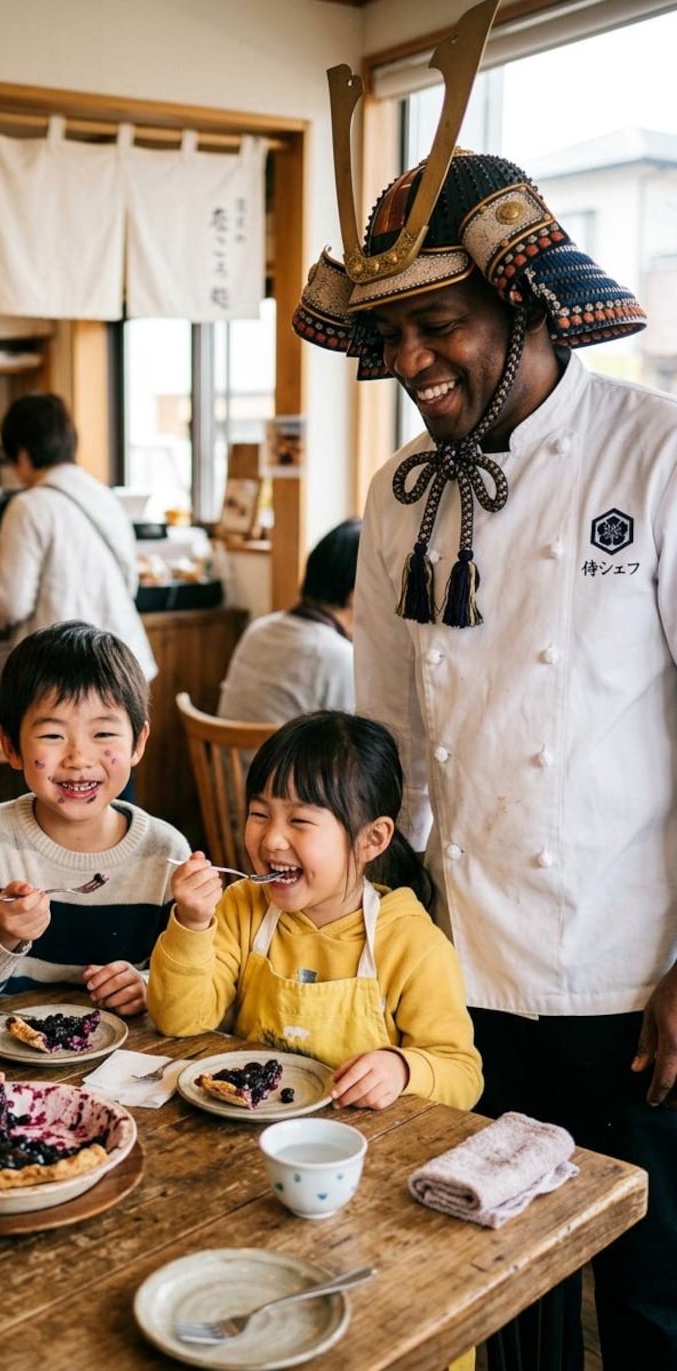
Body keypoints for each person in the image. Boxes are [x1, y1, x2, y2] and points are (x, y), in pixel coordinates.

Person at [294, 142, 677, 1369]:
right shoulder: (398, 491)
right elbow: (387, 734)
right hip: (457, 975)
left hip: (631, 976)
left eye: (439, 325)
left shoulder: (654, 452)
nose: (408, 362)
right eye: (390, 334)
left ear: (527, 304)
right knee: (486, 1286)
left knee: (652, 1300)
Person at [148, 711, 482, 1112]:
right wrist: (192, 922)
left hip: (357, 1139)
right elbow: (178, 1020)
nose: (271, 840)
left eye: (300, 820)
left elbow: (463, 1076)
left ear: (371, 839)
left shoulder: (412, 945)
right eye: (259, 814)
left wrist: (404, 1069)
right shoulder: (241, 907)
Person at [0, 620, 189, 1016]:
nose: (78, 758)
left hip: (128, 1053)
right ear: (11, 747)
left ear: (138, 743)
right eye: (52, 735)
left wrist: (149, 986)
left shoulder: (165, 852)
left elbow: (192, 982)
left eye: (103, 735)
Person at [0, 393, 157, 684]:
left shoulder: (28, 505)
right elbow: (130, 580)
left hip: (65, 671)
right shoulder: (103, 495)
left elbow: (11, 603)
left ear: (23, 455)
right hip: (122, 664)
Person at [217, 518, 360, 722]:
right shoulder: (339, 657)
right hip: (282, 745)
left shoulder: (258, 629)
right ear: (355, 595)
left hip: (229, 745)